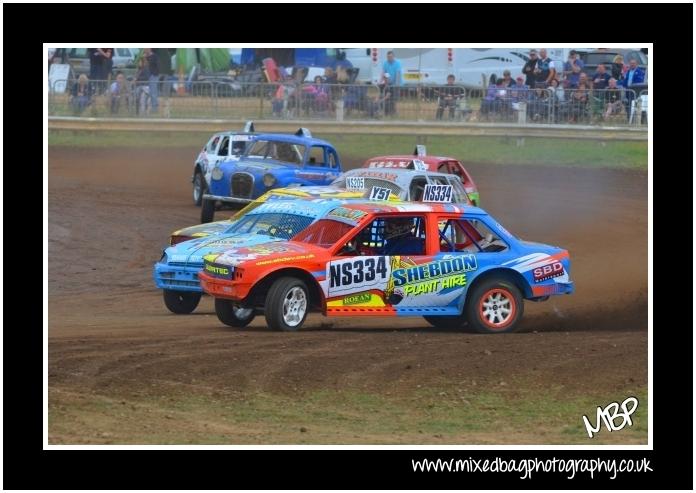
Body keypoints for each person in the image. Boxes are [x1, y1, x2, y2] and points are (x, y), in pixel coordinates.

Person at [143, 48, 160, 113]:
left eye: (145, 49)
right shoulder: (145, 57)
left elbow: (150, 65)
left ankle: (154, 108)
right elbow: (143, 66)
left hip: (153, 76)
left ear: (149, 49)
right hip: (147, 77)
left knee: (153, 92)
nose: (144, 50)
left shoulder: (154, 56)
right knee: (149, 92)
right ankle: (149, 107)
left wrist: (145, 58)